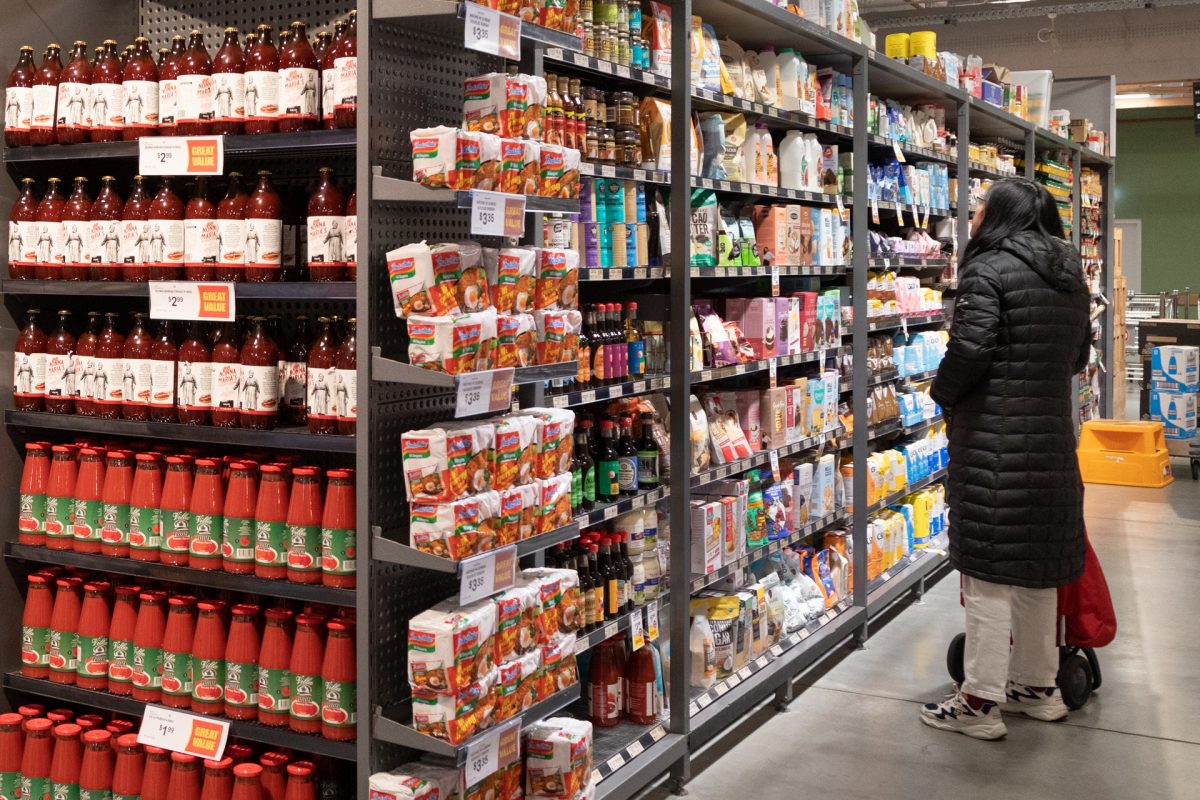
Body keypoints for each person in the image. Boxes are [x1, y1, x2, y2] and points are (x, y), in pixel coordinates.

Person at [919, 178, 1092, 741]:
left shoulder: (988, 268)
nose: (971, 215)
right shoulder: (1069, 274)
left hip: (995, 443)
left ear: (1000, 216)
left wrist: (942, 394)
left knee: (989, 575)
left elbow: (972, 347)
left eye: (979, 207)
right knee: (1039, 573)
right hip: (1050, 442)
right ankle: (1037, 689)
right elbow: (1078, 355)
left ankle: (978, 701)